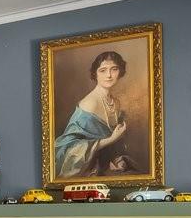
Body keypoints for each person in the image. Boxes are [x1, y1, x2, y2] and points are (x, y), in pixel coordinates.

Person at [53, 49, 135, 177]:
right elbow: (68, 149)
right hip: (86, 169)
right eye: (102, 70)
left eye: (114, 69)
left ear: (120, 72)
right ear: (95, 74)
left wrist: (117, 160)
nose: (109, 75)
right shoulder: (90, 104)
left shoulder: (116, 102)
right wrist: (112, 139)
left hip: (105, 166)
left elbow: (112, 147)